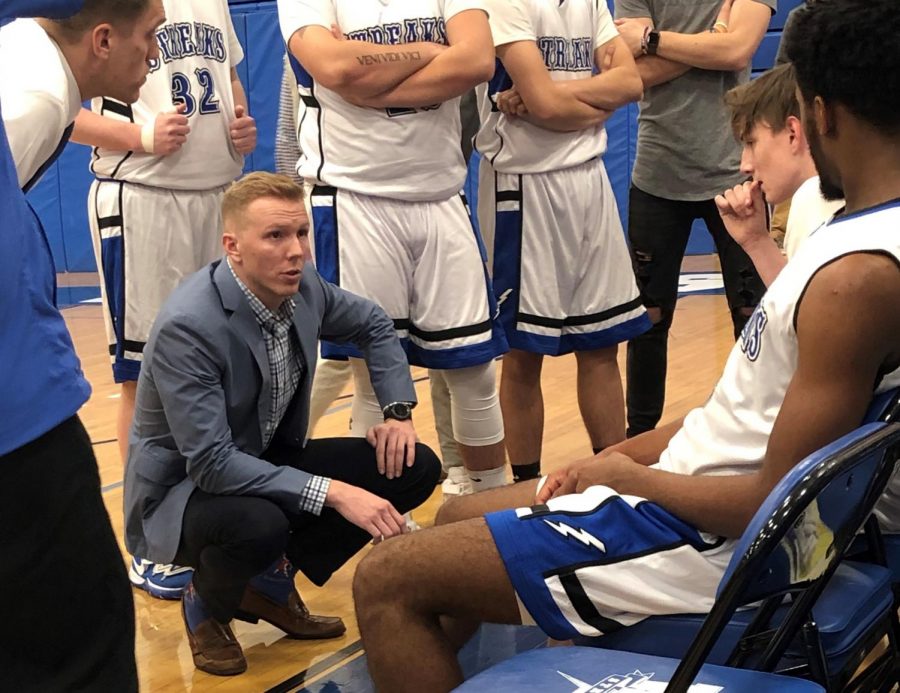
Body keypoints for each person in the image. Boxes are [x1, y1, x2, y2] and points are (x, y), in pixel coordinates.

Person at [352, 1, 900, 689]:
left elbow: (771, 503)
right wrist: (616, 454)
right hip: (691, 498)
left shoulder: (855, 275)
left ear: (819, 114)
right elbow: (741, 419)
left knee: (385, 578)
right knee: (459, 512)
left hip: (702, 541)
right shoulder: (859, 235)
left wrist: (629, 478)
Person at [123, 172, 441, 676]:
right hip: (184, 491)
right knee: (259, 524)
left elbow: (374, 324)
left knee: (414, 466)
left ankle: (270, 579)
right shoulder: (190, 325)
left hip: (263, 456)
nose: (296, 251)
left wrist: (397, 412)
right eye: (275, 236)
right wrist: (335, 492)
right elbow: (211, 464)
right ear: (233, 246)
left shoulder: (304, 285)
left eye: (301, 233)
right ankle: (206, 603)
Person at [60, 0, 257, 599]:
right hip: (141, 197)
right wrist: (136, 135)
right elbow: (60, 111)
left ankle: (210, 523)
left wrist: (239, 119)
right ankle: (150, 538)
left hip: (214, 197)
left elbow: (228, 78)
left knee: (222, 370)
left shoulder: (215, 4)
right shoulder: (106, 7)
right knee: (145, 378)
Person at [0, 0, 167, 689]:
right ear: (102, 39)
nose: (156, 56)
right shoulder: (35, 96)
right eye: (151, 37)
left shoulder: (30, 59)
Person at [278, 0, 510, 494]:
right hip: (355, 195)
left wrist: (368, 77)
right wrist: (431, 51)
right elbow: (335, 67)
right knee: (372, 381)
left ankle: (495, 510)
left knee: (474, 373)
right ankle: (382, 524)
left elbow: (476, 61)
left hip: (441, 193)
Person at [473, 0, 649, 485]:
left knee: (602, 343)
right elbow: (549, 106)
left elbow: (631, 83)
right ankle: (526, 488)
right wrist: (575, 98)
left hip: (588, 178)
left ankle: (615, 483)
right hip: (524, 185)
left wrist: (553, 95)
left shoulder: (589, 1)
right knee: (523, 353)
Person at [612, 0, 774, 437]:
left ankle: (756, 432)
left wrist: (652, 41)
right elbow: (634, 77)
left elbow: (738, 52)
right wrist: (710, 42)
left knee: (752, 313)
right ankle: (639, 440)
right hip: (658, 173)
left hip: (735, 172)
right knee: (649, 318)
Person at [715, 62, 843, 286]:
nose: (745, 165)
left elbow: (800, 320)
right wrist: (757, 242)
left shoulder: (812, 199)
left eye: (751, 143)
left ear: (793, 133)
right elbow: (794, 303)